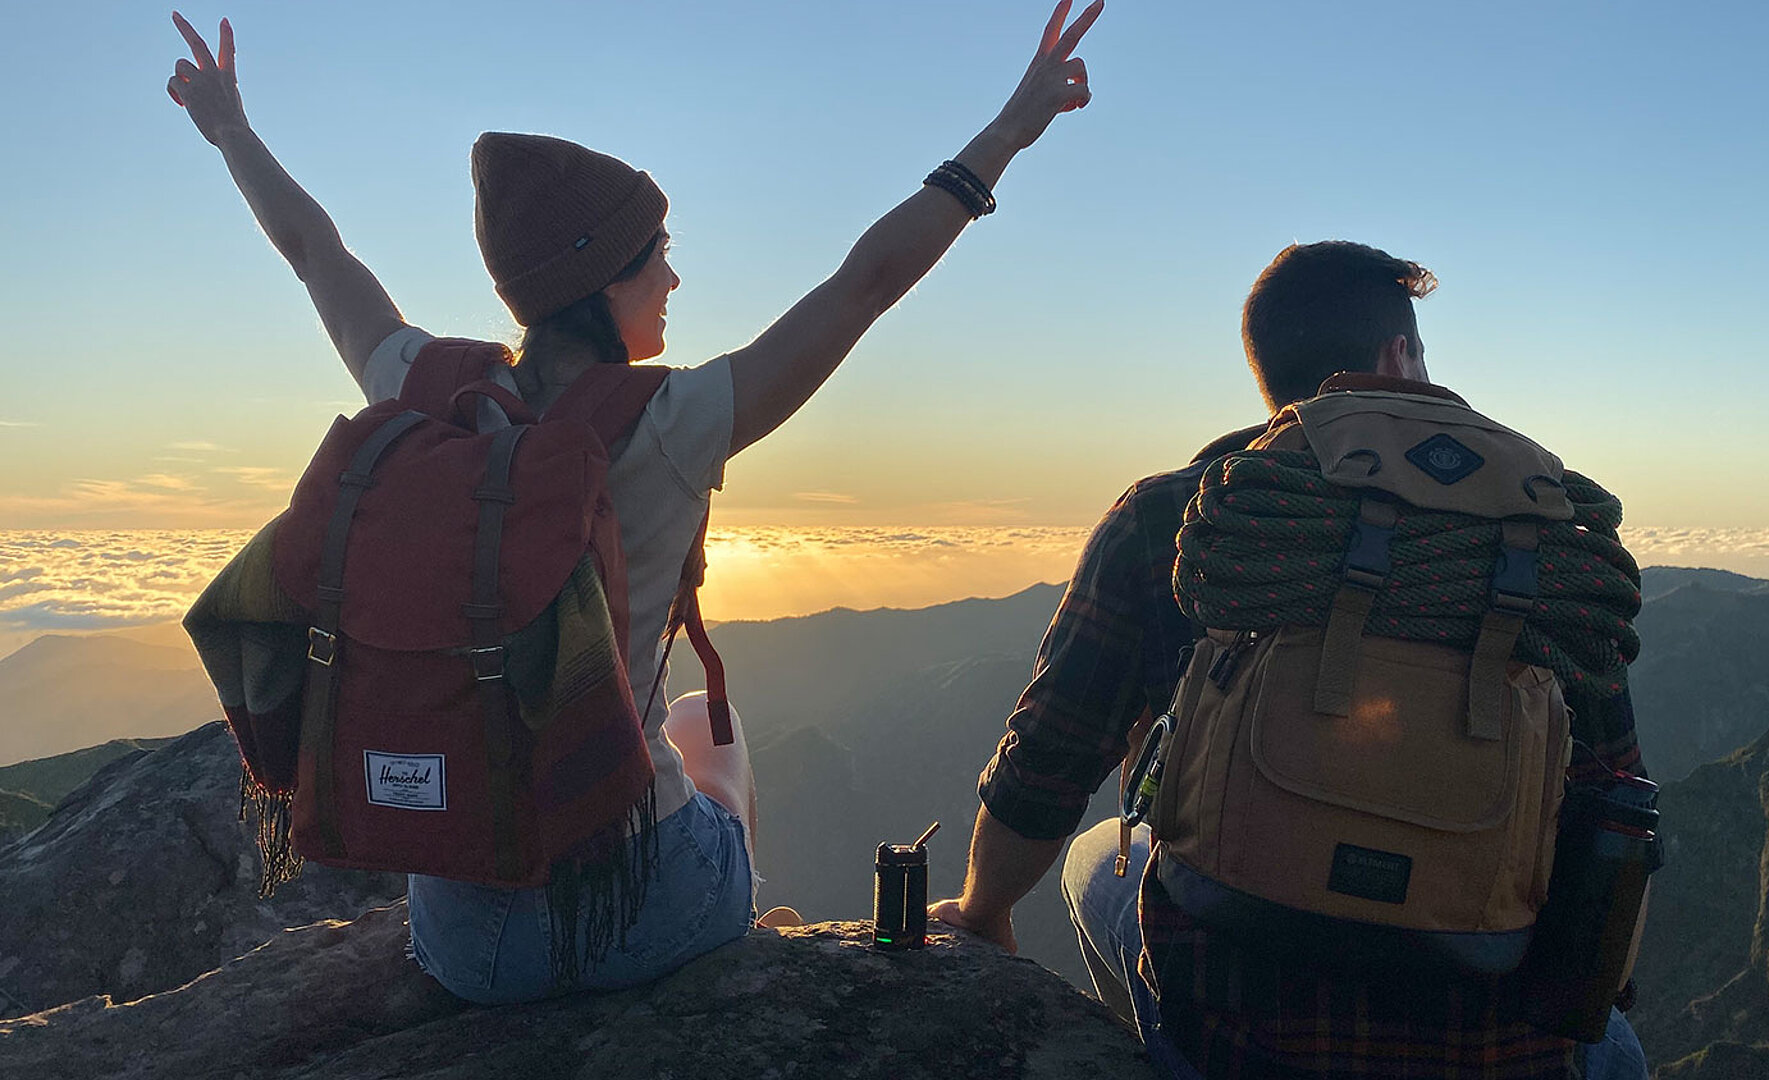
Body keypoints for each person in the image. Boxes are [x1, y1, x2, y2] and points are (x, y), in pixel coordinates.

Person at [167, 1, 1102, 1004]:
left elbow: (318, 255)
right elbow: (865, 283)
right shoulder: (674, 420)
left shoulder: (426, 391)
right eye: (657, 253)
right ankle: (736, 933)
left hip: (460, 933)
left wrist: (230, 130)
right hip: (633, 913)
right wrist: (1011, 131)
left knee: (688, 716)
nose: (674, 275)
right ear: (602, 280)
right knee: (717, 743)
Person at [932, 241, 1653, 1079]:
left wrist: (982, 913)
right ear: (1398, 357)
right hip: (1498, 1045)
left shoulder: (1185, 514)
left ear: (1269, 375)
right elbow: (1618, 805)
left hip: (1245, 1039)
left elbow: (1046, 764)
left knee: (1097, 853)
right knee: (1616, 1048)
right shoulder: (1549, 539)